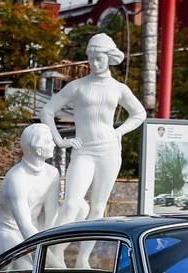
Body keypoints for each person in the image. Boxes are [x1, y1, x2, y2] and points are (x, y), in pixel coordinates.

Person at [39, 32, 145, 225]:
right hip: (84, 151)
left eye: (99, 59)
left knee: (98, 207)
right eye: (91, 60)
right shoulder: (77, 86)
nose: (95, 64)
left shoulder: (118, 88)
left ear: (109, 58)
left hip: (109, 150)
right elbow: (47, 111)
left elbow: (139, 114)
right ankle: (54, 252)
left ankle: (83, 257)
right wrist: (59, 140)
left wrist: (119, 131)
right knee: (71, 204)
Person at [0, 122, 59, 268]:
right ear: (38, 149)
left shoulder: (52, 173)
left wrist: (52, 250)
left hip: (35, 232)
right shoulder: (17, 177)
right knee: (25, 269)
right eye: (49, 141)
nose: (54, 144)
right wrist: (55, 264)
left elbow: (51, 217)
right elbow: (24, 225)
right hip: (11, 232)